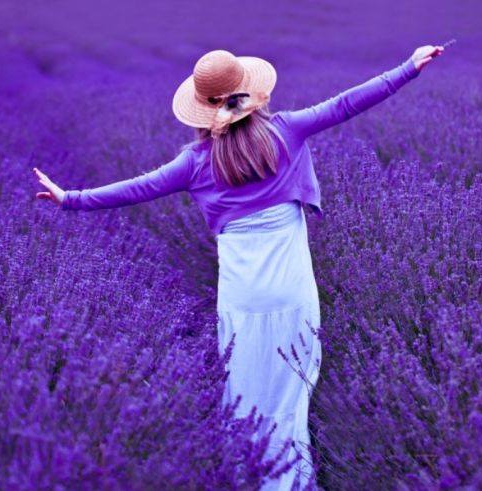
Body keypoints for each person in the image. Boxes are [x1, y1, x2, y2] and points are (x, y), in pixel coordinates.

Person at [33, 44, 444, 490]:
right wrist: (409, 67)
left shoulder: (192, 163)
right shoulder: (286, 130)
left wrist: (70, 199)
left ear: (200, 108)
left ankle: (253, 475)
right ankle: (291, 479)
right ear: (247, 92)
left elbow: (135, 189)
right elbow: (348, 102)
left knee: (247, 387)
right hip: (290, 287)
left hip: (243, 294)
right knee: (291, 389)